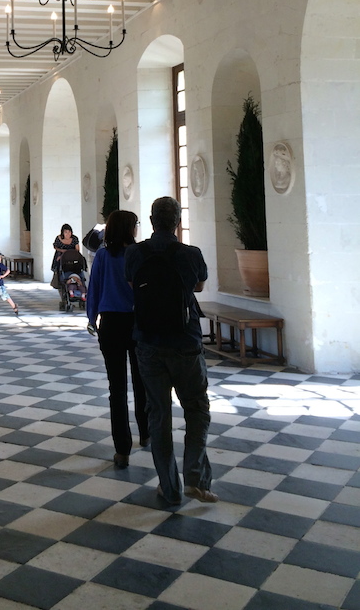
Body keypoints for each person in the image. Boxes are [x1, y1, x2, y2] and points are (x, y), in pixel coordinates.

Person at [125, 196, 216, 505]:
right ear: (177, 221)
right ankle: (194, 476)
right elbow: (199, 286)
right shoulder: (191, 254)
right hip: (185, 342)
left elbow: (131, 284)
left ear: (151, 221)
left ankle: (169, 486)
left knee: (159, 414)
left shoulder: (135, 253)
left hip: (148, 342)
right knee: (197, 409)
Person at [87, 210, 148, 469]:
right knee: (142, 382)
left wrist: (91, 319)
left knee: (117, 388)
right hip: (136, 323)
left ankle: (122, 449)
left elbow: (95, 289)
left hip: (110, 323)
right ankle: (146, 433)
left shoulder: (103, 256)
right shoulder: (140, 254)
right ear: (130, 229)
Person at [51, 223, 81, 308]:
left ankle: (78, 294)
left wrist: (70, 253)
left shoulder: (74, 239)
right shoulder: (58, 238)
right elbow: (55, 247)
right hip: (61, 259)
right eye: (66, 232)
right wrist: (62, 251)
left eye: (69, 232)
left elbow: (77, 249)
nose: (68, 234)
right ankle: (63, 297)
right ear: (63, 233)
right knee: (60, 278)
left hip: (72, 259)